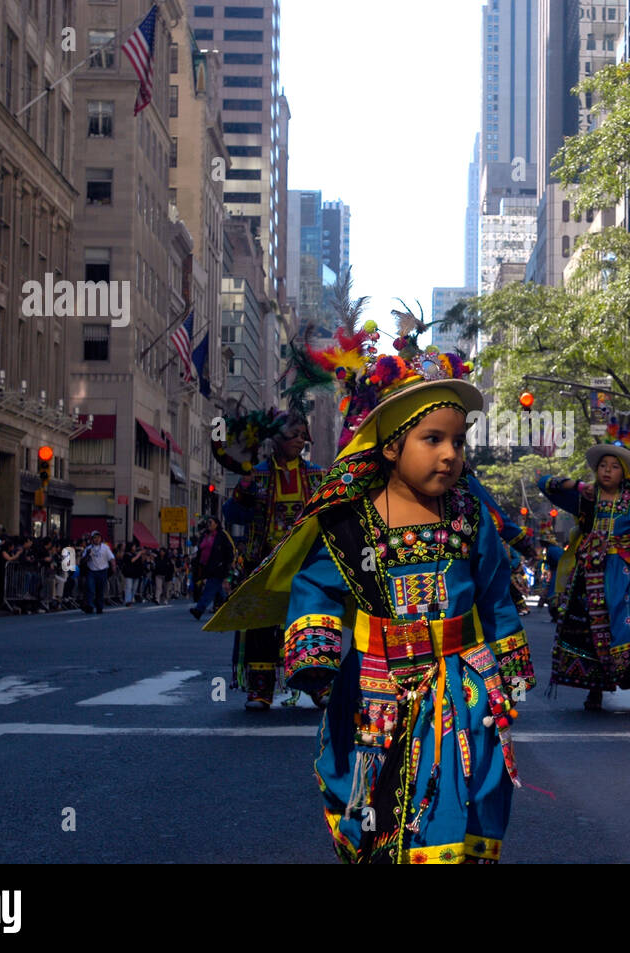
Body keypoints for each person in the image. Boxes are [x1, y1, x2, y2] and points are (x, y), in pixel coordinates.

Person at [204, 326, 536, 863]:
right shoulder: (351, 522)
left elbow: (495, 595)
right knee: (373, 797)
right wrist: (317, 654)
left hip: (462, 680)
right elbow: (316, 586)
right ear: (389, 446)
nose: (450, 455)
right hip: (375, 682)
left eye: (458, 441)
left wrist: (509, 670)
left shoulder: (471, 516)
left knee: (463, 790)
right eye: (433, 440)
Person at [539, 432, 630, 710]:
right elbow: (545, 484)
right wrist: (579, 485)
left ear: (623, 474)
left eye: (614, 466)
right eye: (603, 465)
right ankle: (595, 690)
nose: (607, 470)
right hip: (590, 575)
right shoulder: (586, 499)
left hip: (627, 573)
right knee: (590, 633)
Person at [216, 405, 319, 708]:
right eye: (293, 435)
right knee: (261, 626)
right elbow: (233, 514)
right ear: (276, 438)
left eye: (303, 435)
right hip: (263, 563)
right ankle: (260, 690)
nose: (300, 440)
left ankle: (316, 682)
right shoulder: (257, 474)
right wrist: (243, 489)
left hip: (304, 564)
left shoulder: (316, 475)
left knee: (310, 621)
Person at [189, 517, 235, 621]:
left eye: (211, 522)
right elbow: (200, 550)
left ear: (216, 524)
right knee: (219, 591)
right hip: (206, 567)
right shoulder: (205, 535)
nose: (208, 524)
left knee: (210, 588)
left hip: (218, 568)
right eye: (207, 522)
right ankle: (232, 609)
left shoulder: (222, 535)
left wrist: (226, 564)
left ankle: (199, 610)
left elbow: (229, 551)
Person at [79, 530, 116, 614]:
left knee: (100, 590)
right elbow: (82, 561)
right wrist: (88, 555)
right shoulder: (88, 549)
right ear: (92, 539)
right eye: (95, 538)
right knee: (91, 589)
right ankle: (90, 606)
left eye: (98, 537)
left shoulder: (105, 547)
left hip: (102, 571)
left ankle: (99, 606)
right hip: (92, 571)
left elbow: (111, 558)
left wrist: (113, 566)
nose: (97, 539)